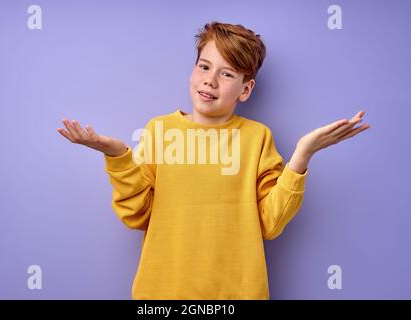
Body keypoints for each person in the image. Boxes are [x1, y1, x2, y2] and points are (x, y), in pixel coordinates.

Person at [57, 21, 370, 299]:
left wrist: (302, 156)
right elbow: (136, 216)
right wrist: (118, 156)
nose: (210, 81)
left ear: (245, 89)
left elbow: (270, 224)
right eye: (204, 67)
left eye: (227, 73)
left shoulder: (257, 137)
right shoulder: (159, 130)